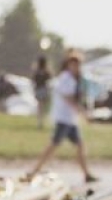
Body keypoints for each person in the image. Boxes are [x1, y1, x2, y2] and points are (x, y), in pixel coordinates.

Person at [26, 51, 93, 184]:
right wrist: (82, 112)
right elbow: (68, 98)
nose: (76, 68)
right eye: (74, 65)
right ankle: (34, 171)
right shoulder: (66, 79)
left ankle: (87, 174)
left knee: (80, 145)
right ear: (68, 65)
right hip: (64, 118)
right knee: (53, 146)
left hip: (70, 119)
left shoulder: (74, 79)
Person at [31, 55, 52, 128]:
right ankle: (41, 121)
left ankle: (40, 121)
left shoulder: (36, 71)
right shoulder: (46, 71)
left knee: (40, 106)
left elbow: (33, 80)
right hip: (44, 89)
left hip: (39, 89)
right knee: (43, 106)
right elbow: (49, 79)